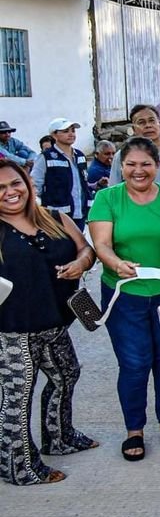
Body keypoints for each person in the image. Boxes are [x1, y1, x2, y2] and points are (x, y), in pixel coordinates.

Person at [88, 138, 160, 462]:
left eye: (145, 164)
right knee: (134, 364)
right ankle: (134, 428)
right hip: (124, 296)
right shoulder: (107, 198)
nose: (138, 170)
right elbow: (101, 244)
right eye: (130, 164)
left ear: (157, 166)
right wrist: (115, 263)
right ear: (121, 166)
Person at [0, 159, 98, 485]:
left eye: (15, 183)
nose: (10, 192)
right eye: (0, 188)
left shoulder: (55, 218)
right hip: (13, 330)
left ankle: (59, 437)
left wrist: (79, 264)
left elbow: (86, 249)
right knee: (17, 398)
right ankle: (19, 467)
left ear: (27, 184)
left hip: (56, 321)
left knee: (66, 376)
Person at [30, 119, 92, 230]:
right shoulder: (46, 157)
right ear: (54, 135)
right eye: (65, 131)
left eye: (73, 130)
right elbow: (35, 185)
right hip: (57, 216)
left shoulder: (80, 156)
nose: (71, 134)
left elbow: (84, 183)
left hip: (80, 213)